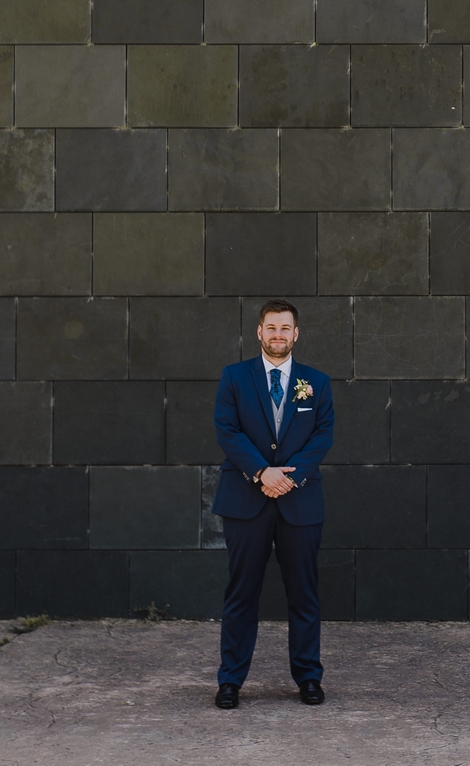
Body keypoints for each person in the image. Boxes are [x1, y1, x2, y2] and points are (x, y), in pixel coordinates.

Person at [212, 300, 334, 709]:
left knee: (304, 594)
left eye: (286, 328)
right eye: (271, 328)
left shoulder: (316, 381)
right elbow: (227, 431)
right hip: (246, 499)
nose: (278, 334)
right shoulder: (234, 377)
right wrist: (262, 472)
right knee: (241, 594)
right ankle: (230, 681)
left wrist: (290, 476)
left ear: (296, 334)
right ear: (259, 332)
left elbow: (322, 435)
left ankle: (308, 677)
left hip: (299, 503)